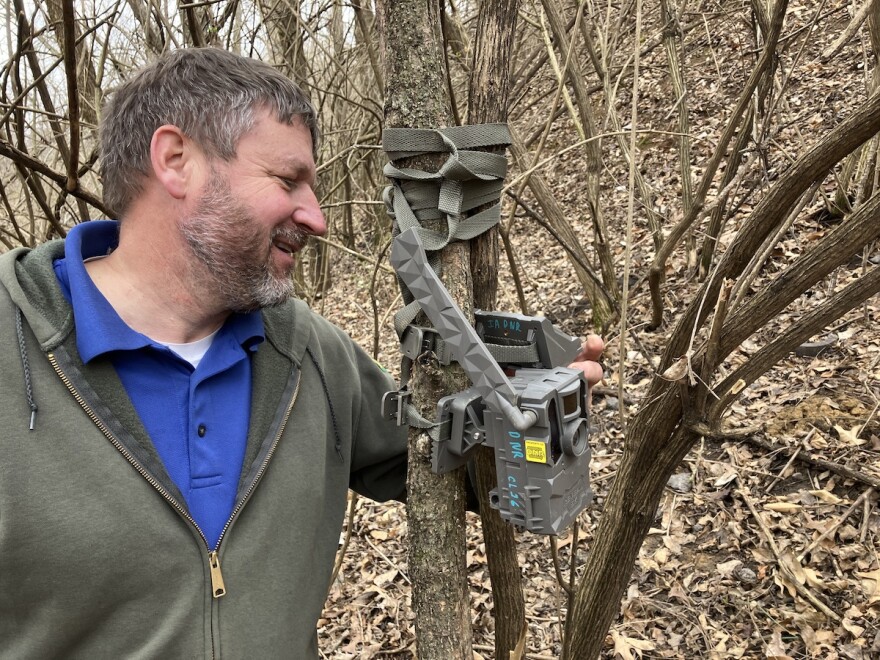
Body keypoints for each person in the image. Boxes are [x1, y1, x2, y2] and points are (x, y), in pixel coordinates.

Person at [0, 48, 604, 658]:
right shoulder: (12, 344)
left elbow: (444, 471)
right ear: (176, 161)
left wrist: (534, 408)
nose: (316, 217)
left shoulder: (306, 349)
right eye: (288, 180)